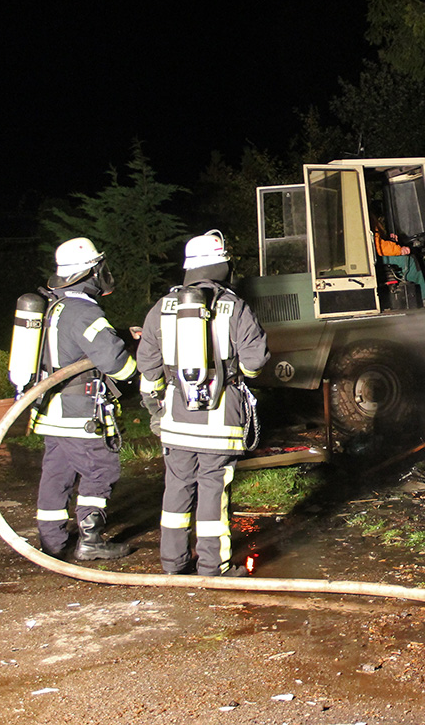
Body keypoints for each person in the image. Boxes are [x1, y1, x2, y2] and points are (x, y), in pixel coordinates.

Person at [136, 230, 269, 576]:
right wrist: (237, 378)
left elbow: (148, 368)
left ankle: (173, 562)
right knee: (213, 491)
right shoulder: (234, 306)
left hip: (175, 421)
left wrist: (157, 410)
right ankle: (213, 567)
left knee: (176, 489)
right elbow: (255, 362)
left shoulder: (162, 308)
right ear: (222, 266)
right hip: (219, 422)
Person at [32, 237, 137, 561]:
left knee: (57, 475)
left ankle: (52, 541)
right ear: (91, 272)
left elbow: (72, 346)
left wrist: (121, 333)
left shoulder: (55, 305)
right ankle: (91, 540)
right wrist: (136, 370)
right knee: (100, 470)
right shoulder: (84, 311)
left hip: (51, 411)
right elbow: (115, 363)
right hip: (80, 413)